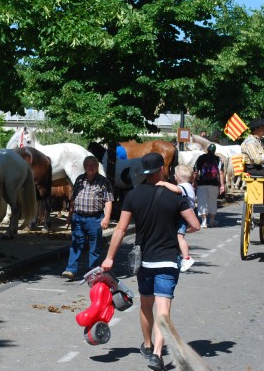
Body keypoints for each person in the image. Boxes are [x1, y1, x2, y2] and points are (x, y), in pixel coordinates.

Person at [102, 153, 200, 371]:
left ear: (144, 173)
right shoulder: (176, 196)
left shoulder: (133, 196)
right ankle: (157, 355)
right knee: (163, 310)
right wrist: (178, 231)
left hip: (144, 262)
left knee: (146, 305)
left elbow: (120, 229)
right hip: (167, 261)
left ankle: (147, 345)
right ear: (162, 170)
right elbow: (195, 225)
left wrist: (109, 257)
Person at [62, 155, 114, 280]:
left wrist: (107, 217)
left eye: (93, 166)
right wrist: (70, 215)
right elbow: (73, 199)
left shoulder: (104, 182)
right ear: (84, 167)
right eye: (88, 166)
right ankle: (71, 270)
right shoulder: (79, 180)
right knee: (76, 243)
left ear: (96, 167)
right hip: (78, 217)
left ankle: (92, 271)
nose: (90, 168)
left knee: (94, 246)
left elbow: (108, 201)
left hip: (95, 218)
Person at [156, 165, 196, 272]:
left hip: (183, 216)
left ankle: (187, 258)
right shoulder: (189, 186)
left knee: (180, 238)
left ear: (177, 177)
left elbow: (177, 190)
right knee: (178, 237)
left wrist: (164, 183)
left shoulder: (183, 187)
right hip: (185, 216)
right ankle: (179, 256)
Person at [194, 143, 225, 227]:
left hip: (202, 183)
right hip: (214, 184)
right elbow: (221, 173)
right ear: (215, 151)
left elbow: (196, 171)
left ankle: (204, 222)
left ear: (207, 149)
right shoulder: (218, 159)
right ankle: (212, 220)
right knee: (212, 201)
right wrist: (222, 185)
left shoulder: (201, 158)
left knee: (202, 201)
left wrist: (194, 182)